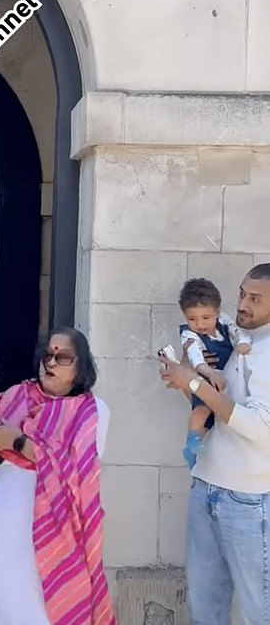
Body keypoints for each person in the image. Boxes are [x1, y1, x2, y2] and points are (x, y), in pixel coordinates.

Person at [0, 327, 116, 625]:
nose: (51, 363)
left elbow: (78, 472)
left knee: (36, 608)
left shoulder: (92, 412)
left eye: (63, 357)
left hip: (51, 532)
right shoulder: (15, 395)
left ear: (81, 365)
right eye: (48, 355)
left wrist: (19, 442)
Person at [159, 263, 270, 625]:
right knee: (205, 609)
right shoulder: (239, 341)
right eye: (241, 293)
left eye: (255, 298)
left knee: (259, 611)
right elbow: (217, 408)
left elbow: (260, 427)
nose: (243, 304)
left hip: (248, 501)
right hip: (207, 485)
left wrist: (193, 383)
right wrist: (189, 384)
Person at [174, 277, 252, 469]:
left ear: (217, 312)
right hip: (206, 379)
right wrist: (209, 372)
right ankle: (192, 446)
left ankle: (200, 449)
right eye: (192, 319)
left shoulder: (224, 322)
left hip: (226, 381)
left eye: (206, 318)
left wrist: (242, 343)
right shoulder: (190, 336)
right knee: (201, 411)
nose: (199, 324)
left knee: (215, 418)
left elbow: (236, 332)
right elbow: (196, 359)